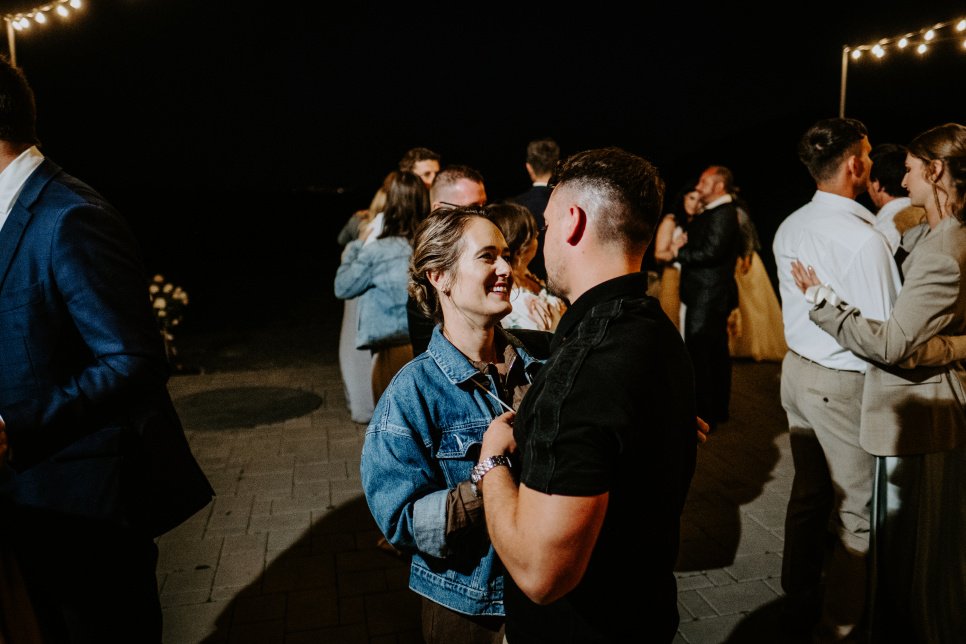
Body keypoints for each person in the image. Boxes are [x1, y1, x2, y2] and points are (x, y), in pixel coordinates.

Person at [0, 55, 214, 643]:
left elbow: (132, 360)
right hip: (24, 504)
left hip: (82, 509)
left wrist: (13, 426)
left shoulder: (70, 215)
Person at [479, 147, 697, 642]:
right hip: (646, 613)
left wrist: (491, 463)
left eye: (547, 225)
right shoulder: (656, 330)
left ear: (574, 222)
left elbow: (540, 574)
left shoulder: (582, 374)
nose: (544, 239)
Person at [789, 122, 966, 644]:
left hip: (923, 413)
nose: (900, 181)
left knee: (917, 553)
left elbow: (892, 345)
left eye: (910, 170)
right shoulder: (926, 233)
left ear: (936, 170)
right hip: (914, 405)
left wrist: (823, 302)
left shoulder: (944, 251)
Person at [360, 206, 543, 644]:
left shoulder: (542, 363)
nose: (506, 268)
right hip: (472, 610)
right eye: (487, 257)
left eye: (506, 255)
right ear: (439, 276)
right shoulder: (412, 394)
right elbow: (400, 522)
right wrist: (487, 474)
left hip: (549, 594)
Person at [772, 116, 901, 643]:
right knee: (857, 512)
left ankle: (797, 594)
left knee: (808, 494)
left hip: (796, 373)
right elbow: (889, 332)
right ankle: (840, 627)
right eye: (866, 154)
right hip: (840, 384)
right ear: (854, 165)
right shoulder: (863, 241)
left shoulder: (791, 225)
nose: (869, 162)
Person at [335, 170, 429, 406]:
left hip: (391, 346)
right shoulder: (429, 246)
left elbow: (343, 286)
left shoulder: (378, 251)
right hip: (430, 344)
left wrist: (358, 244)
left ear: (390, 204)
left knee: (392, 414)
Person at [671, 164, 741, 430]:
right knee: (713, 354)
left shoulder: (724, 213)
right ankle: (715, 409)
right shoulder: (716, 212)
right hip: (706, 295)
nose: (699, 187)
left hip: (708, 296)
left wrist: (681, 253)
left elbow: (711, 251)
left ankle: (706, 413)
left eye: (704, 182)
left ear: (719, 186)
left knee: (702, 355)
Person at [406, 164, 489, 355]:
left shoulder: (482, 244)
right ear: (439, 209)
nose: (482, 217)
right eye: (471, 209)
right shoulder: (432, 260)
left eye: (484, 208)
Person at [337, 171, 393, 424]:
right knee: (363, 347)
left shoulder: (360, 220)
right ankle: (366, 405)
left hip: (359, 288)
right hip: (365, 286)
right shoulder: (374, 228)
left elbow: (341, 239)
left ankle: (360, 403)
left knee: (353, 344)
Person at [485, 201, 566, 331]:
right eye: (534, 235)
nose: (538, 237)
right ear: (522, 247)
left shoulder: (525, 273)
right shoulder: (517, 302)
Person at [728, 195, 788, 362]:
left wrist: (746, 257)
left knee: (755, 305)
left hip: (745, 261)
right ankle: (739, 346)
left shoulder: (738, 213)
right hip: (734, 261)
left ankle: (757, 346)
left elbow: (747, 236)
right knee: (741, 307)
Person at [652, 186, 703, 334]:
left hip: (695, 279)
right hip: (673, 275)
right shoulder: (671, 221)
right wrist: (675, 248)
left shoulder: (701, 222)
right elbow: (658, 255)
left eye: (699, 201)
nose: (694, 204)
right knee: (672, 322)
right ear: (684, 197)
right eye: (691, 198)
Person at [509, 138, 560, 281]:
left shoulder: (515, 206)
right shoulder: (569, 201)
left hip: (527, 282)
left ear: (529, 167)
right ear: (557, 165)